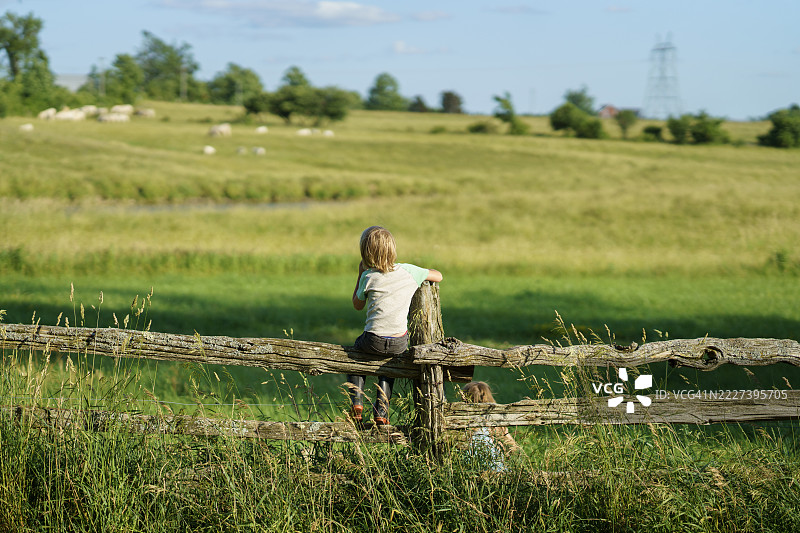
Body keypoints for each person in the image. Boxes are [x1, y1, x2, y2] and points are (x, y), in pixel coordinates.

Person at [347, 226, 443, 426]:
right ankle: (382, 409)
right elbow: (438, 276)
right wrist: (424, 272)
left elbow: (357, 305)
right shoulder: (408, 271)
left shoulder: (369, 276)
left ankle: (357, 401)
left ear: (365, 253)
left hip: (372, 340)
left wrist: (360, 274)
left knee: (354, 355)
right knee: (388, 367)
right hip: (399, 342)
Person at [461, 381, 520, 471]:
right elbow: (513, 446)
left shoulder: (462, 422)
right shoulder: (494, 420)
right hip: (496, 469)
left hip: (469, 469)